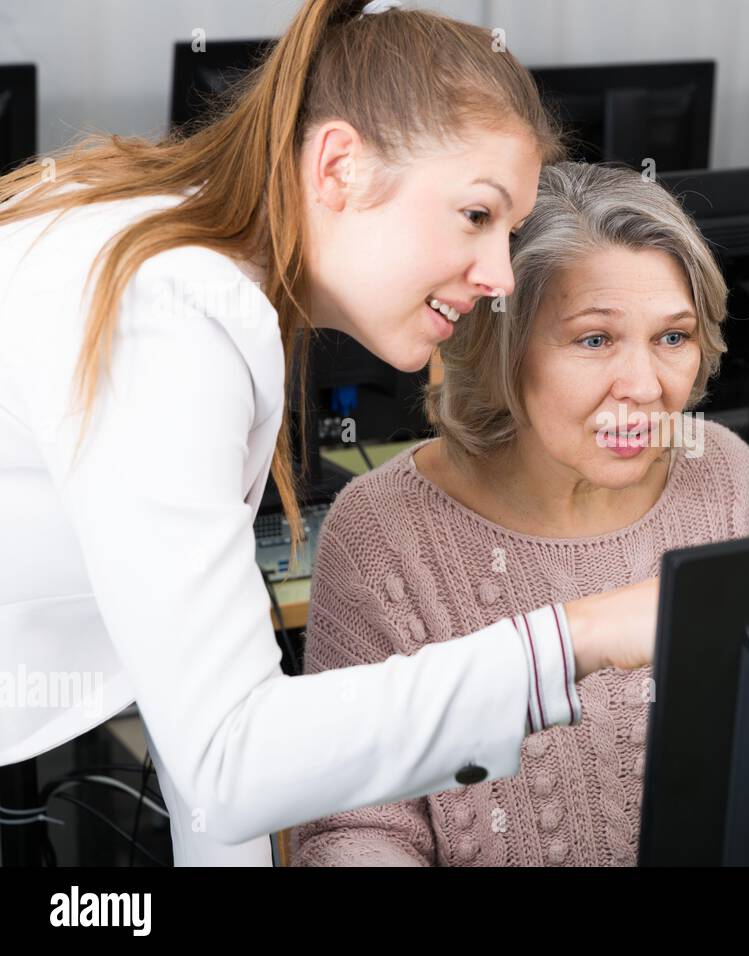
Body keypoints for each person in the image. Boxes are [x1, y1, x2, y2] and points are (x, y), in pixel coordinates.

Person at [0, 0, 656, 867]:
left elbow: (206, 737)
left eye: (511, 233)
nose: (499, 275)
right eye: (475, 215)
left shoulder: (172, 241)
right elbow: (232, 760)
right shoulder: (177, 308)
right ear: (340, 166)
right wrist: (577, 636)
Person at [290, 162, 749, 865]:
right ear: (502, 352)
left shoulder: (723, 473)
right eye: (594, 340)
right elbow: (354, 831)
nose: (644, 386)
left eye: (673, 337)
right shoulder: (383, 533)